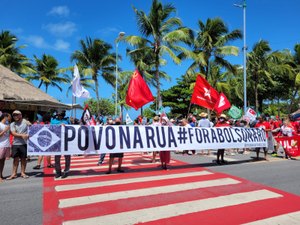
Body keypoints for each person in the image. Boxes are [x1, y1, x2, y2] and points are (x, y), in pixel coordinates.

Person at [7, 110, 31, 180]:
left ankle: (23, 173)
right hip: (15, 144)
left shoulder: (26, 122)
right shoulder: (12, 124)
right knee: (15, 159)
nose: (15, 116)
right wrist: (22, 135)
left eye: (17, 115)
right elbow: (13, 133)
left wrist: (30, 125)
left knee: (23, 159)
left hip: (24, 143)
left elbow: (32, 129)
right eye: (14, 115)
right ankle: (14, 173)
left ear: (20, 115)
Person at [51, 110, 70, 178]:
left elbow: (71, 128)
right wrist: (58, 125)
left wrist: (66, 126)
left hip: (66, 141)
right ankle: (58, 172)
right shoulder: (53, 120)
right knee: (57, 158)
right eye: (59, 115)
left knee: (67, 157)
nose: (60, 116)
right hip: (57, 141)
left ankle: (66, 171)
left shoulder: (67, 120)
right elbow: (51, 128)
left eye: (61, 115)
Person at [0, 113, 11, 182]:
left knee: (3, 161)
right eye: (9, 117)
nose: (10, 118)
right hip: (1, 145)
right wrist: (5, 130)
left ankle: (1, 174)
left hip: (7, 145)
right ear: (5, 117)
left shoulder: (7, 125)